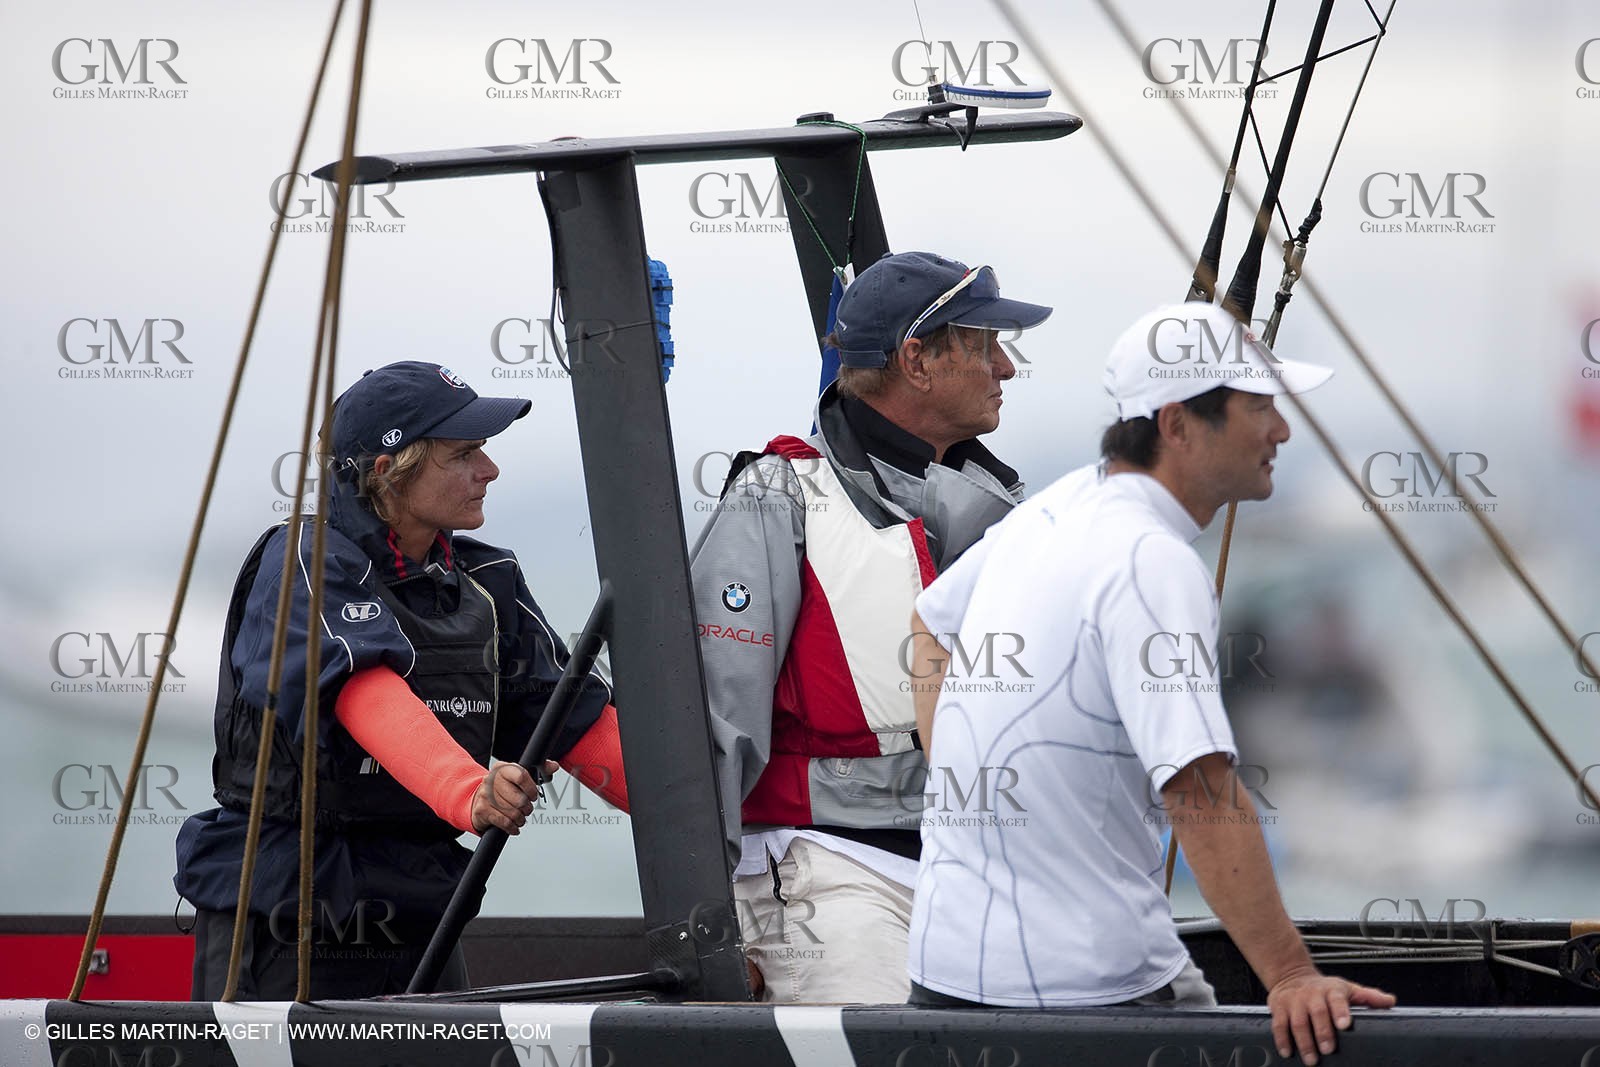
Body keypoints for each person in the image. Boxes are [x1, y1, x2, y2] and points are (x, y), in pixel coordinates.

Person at [904, 302, 1395, 1064]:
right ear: (1178, 424)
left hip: (943, 973)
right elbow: (1199, 790)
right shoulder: (1153, 560)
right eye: (1259, 406)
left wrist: (961, 781)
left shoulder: (1056, 509)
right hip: (1083, 997)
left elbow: (930, 624)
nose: (1282, 431)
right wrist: (1291, 974)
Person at [175, 361, 628, 1000]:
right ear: (391, 470)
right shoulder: (303, 560)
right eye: (465, 453)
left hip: (424, 909)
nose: (490, 470)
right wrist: (470, 790)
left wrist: (731, 820)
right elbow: (362, 686)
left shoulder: (487, 576)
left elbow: (572, 722)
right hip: (289, 912)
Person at [690, 251, 1053, 1002]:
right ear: (916, 360)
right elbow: (715, 729)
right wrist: (711, 927)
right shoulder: (776, 496)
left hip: (980, 874)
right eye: (986, 342)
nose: (1007, 366)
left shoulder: (1013, 511)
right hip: (830, 876)